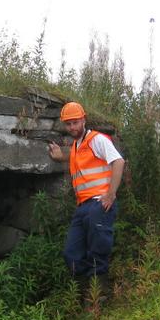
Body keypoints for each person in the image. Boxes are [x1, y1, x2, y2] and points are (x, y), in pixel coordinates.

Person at [47, 101, 125, 305]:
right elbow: (79, 159)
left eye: (75, 122)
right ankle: (84, 297)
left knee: (97, 252)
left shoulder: (96, 139)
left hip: (99, 204)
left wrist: (110, 194)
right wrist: (60, 157)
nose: (72, 127)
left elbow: (118, 161)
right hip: (82, 207)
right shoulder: (76, 146)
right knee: (71, 254)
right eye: (68, 124)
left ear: (84, 119)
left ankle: (98, 299)